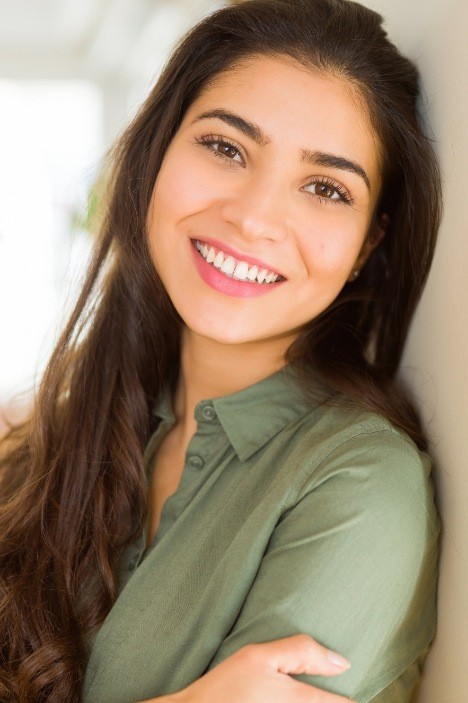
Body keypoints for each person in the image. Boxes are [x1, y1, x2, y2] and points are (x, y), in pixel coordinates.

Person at [0, 0, 442, 702]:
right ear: (155, 153)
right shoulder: (65, 426)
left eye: (326, 188)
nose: (255, 217)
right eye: (226, 147)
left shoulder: (359, 483)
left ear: (369, 244)